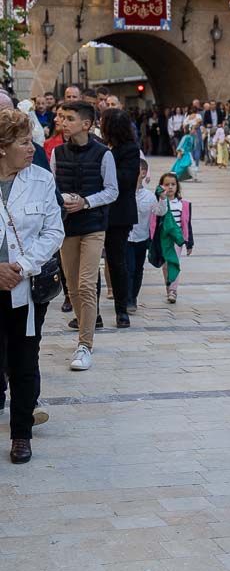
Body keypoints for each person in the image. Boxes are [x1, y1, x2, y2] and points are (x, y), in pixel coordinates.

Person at [0, 109, 64, 463]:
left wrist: (21, 267)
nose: (32, 147)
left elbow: (54, 231)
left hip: (25, 289)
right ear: (2, 147)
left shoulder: (41, 179)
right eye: (24, 142)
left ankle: (21, 433)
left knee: (25, 359)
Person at [52, 102, 119, 371]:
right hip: (66, 227)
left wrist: (86, 202)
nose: (63, 122)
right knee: (71, 287)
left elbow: (112, 191)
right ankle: (83, 332)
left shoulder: (104, 154)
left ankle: (84, 345)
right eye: (62, 117)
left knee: (86, 285)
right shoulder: (57, 152)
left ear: (86, 124)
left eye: (69, 118)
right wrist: (62, 201)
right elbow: (52, 187)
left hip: (93, 226)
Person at [100, 108, 140, 330]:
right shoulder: (100, 146)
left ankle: (121, 310)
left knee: (117, 262)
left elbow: (126, 179)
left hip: (119, 213)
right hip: (97, 210)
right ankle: (90, 313)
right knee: (90, 265)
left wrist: (105, 163)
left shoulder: (129, 149)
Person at [149, 172, 194, 304]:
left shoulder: (183, 205)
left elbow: (187, 224)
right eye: (166, 184)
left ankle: (173, 290)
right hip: (163, 239)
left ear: (177, 187)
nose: (170, 187)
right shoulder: (158, 204)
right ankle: (169, 287)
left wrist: (189, 243)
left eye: (173, 184)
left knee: (173, 262)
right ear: (161, 187)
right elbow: (153, 223)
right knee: (165, 265)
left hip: (176, 240)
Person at [126, 158, 156, 313]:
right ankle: (127, 299)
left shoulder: (149, 196)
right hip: (126, 237)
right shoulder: (123, 193)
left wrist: (163, 200)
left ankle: (133, 297)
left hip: (142, 238)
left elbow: (159, 212)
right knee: (128, 268)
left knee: (138, 269)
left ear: (143, 173)